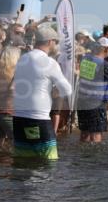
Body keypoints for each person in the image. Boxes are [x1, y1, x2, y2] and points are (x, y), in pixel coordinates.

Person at [11, 25, 73, 159]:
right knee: (48, 160)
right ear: (50, 41)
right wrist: (54, 90)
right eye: (55, 42)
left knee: (22, 160)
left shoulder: (22, 59)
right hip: (38, 118)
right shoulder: (49, 62)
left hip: (18, 117)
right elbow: (67, 89)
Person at [75, 37, 108, 143]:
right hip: (96, 104)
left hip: (82, 102)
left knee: (85, 133)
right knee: (96, 135)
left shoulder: (85, 59)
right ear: (106, 49)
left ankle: (81, 158)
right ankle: (95, 159)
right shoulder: (103, 64)